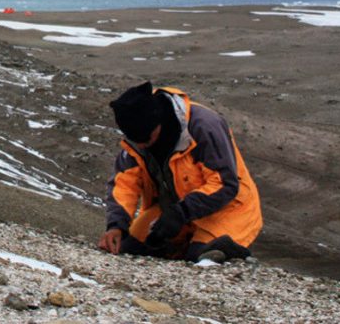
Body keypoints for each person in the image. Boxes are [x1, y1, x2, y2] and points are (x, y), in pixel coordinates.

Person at [97, 82, 263, 263]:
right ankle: (182, 245)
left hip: (228, 207)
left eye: (146, 138)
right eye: (136, 140)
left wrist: (179, 213)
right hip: (174, 210)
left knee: (199, 258)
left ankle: (235, 253)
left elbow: (225, 185)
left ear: (158, 119)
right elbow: (124, 184)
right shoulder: (137, 138)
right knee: (129, 249)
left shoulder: (204, 127)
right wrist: (116, 226)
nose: (142, 145)